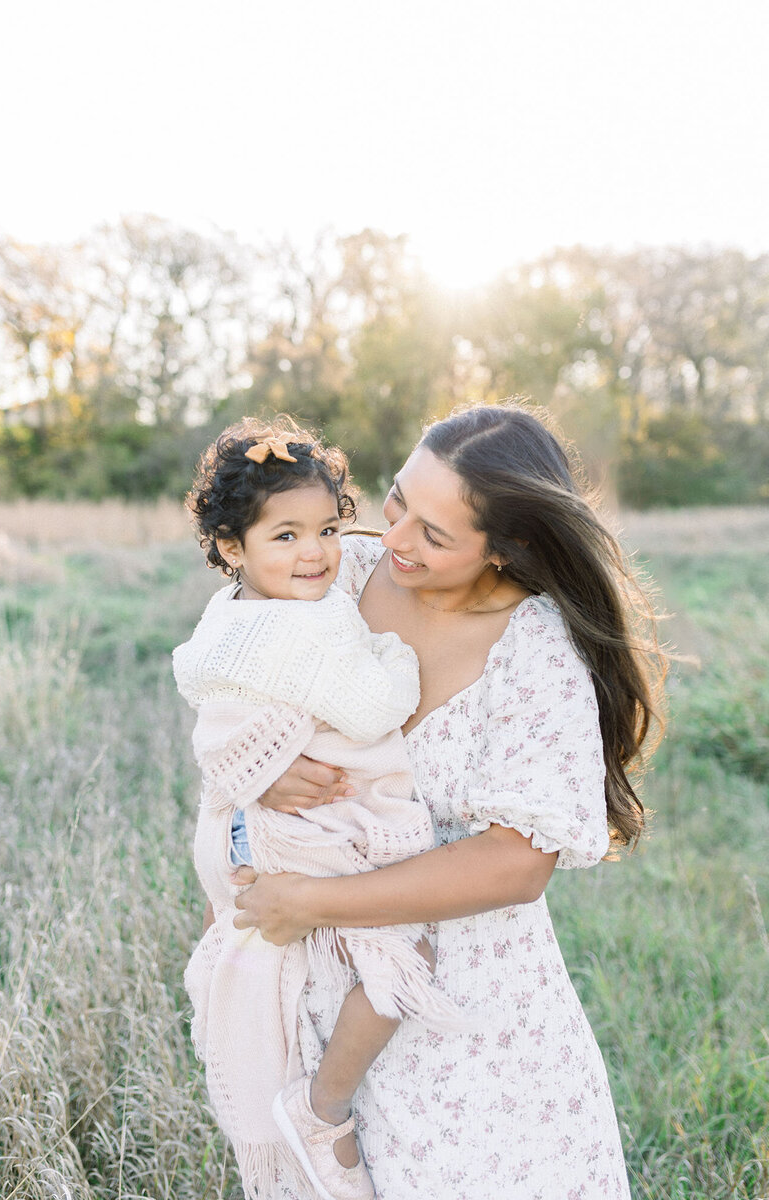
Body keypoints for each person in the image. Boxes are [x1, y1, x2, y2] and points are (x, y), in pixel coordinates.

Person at [231, 401, 666, 1200]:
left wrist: (316, 901)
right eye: (398, 501)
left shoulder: (536, 652)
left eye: (434, 534)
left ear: (510, 546)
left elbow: (515, 865)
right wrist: (262, 764)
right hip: (326, 992)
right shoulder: (346, 577)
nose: (394, 537)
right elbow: (232, 673)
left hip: (477, 1027)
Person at [174, 418, 464, 1200]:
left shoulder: (229, 613)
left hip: (240, 819)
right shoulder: (297, 627)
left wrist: (257, 768)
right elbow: (374, 708)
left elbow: (219, 720)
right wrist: (401, 655)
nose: (317, 553)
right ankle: (322, 1106)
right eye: (288, 535)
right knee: (405, 957)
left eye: (329, 529)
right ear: (232, 546)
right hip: (294, 829)